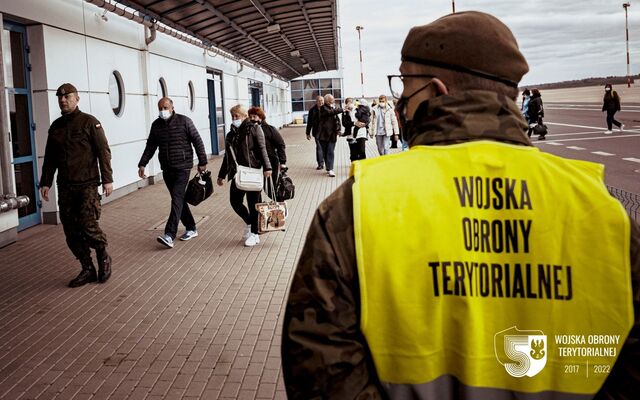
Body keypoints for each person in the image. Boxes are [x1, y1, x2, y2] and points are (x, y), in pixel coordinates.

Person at [282, 11, 640, 400]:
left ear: (436, 91)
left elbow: (318, 367)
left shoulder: (360, 202)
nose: (402, 99)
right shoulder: (601, 209)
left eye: (405, 83)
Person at [39, 83, 114, 288]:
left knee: (88, 225)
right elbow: (50, 158)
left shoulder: (90, 123)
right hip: (65, 187)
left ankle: (103, 256)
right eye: (60, 98)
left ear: (77, 98)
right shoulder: (56, 127)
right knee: (71, 231)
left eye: (67, 97)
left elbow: (103, 151)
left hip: (87, 185)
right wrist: (45, 182)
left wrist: (107, 179)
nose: (63, 100)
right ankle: (87, 268)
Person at [138, 97, 208, 249]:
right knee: (179, 200)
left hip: (183, 167)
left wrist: (202, 162)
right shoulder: (156, 125)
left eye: (165, 107)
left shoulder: (184, 121)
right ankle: (191, 228)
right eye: (160, 108)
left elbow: (197, 141)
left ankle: (169, 234)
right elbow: (150, 146)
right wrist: (142, 163)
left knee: (176, 198)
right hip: (167, 168)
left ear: (172, 107)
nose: (163, 111)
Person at [217, 105, 272, 247]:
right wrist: (221, 175)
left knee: (253, 204)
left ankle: (255, 234)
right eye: (233, 116)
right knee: (234, 201)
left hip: (253, 171)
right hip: (238, 173)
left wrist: (267, 167)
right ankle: (249, 223)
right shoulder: (231, 134)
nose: (235, 119)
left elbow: (262, 149)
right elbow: (227, 157)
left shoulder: (254, 128)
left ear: (244, 116)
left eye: (237, 116)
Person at [248, 106, 287, 196]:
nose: (252, 119)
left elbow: (280, 145)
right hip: (256, 163)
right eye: (250, 117)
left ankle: (279, 207)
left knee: (271, 188)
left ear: (260, 117)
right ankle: (259, 208)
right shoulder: (249, 130)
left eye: (254, 116)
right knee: (256, 190)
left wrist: (283, 162)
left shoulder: (270, 129)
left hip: (271, 162)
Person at [317, 94, 343, 177]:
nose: (334, 100)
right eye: (332, 99)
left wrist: (338, 130)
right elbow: (329, 113)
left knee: (330, 151)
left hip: (332, 135)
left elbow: (337, 120)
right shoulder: (323, 108)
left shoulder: (333, 108)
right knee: (325, 152)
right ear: (327, 101)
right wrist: (342, 109)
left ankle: (331, 169)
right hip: (323, 135)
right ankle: (328, 168)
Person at [306, 96, 325, 170]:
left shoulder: (327, 108)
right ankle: (320, 164)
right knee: (319, 148)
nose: (321, 102)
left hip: (326, 132)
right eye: (319, 101)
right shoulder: (312, 110)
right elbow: (309, 122)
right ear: (316, 101)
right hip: (317, 132)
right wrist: (308, 133)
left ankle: (327, 163)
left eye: (322, 100)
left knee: (326, 148)